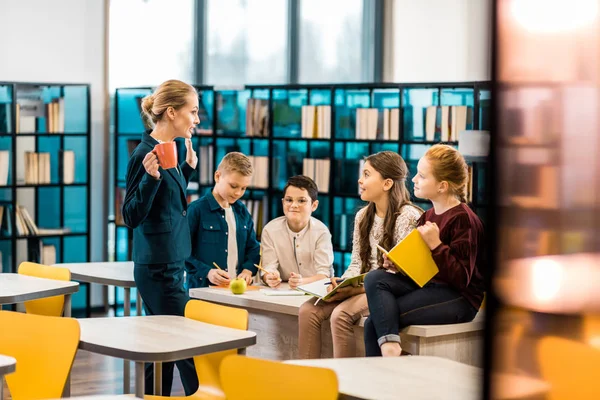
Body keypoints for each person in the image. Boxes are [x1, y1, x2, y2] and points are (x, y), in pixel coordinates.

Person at [363, 144, 485, 357]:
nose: (413, 180)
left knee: (375, 322)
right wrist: (399, 266)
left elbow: (462, 279)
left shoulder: (464, 219)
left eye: (422, 176)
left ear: (442, 186)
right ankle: (394, 354)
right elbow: (423, 267)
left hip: (459, 298)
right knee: (375, 278)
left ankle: (391, 357)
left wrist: (436, 245)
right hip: (429, 287)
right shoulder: (427, 216)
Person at [298, 151, 422, 358]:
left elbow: (402, 274)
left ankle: (347, 385)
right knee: (307, 311)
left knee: (340, 315)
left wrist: (353, 290)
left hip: (386, 290)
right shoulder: (362, 216)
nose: (359, 180)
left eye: (366, 174)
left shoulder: (408, 217)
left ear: (387, 183)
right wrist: (344, 283)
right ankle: (307, 378)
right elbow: (356, 262)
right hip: (360, 287)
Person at [122, 79, 199, 395]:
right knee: (190, 348)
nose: (196, 119)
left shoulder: (173, 152)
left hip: (172, 266)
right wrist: (151, 179)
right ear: (171, 112)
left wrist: (187, 171)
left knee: (163, 351)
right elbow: (131, 215)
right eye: (192, 112)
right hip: (157, 271)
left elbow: (166, 207)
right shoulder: (144, 154)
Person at [185, 152, 260, 288]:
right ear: (217, 176)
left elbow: (253, 248)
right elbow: (181, 253)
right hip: (202, 293)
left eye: (243, 188)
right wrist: (207, 272)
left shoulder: (242, 211)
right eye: (233, 186)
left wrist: (248, 270)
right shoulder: (195, 210)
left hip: (235, 293)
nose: (238, 193)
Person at [260, 175, 334, 289]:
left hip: (315, 291)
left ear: (314, 205)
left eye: (301, 201)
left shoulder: (322, 232)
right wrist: (269, 277)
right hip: (281, 291)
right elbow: (268, 268)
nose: (294, 205)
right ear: (283, 202)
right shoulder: (270, 230)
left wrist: (302, 281)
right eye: (289, 200)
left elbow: (324, 275)